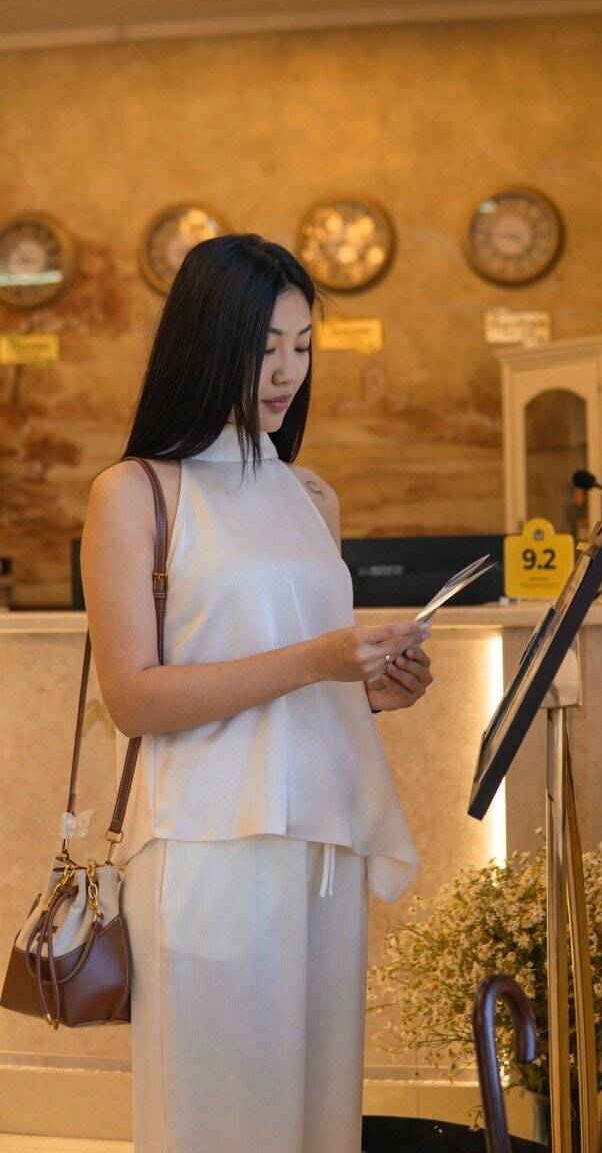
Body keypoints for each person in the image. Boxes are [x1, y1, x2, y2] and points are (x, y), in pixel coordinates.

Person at [80, 233, 433, 1153]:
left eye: (303, 346)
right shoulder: (134, 494)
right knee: (218, 1117)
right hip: (206, 846)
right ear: (206, 345)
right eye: (263, 347)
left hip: (323, 839)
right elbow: (135, 700)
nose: (287, 372)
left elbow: (306, 678)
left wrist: (375, 688)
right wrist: (316, 660)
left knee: (319, 1116)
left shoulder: (309, 495)